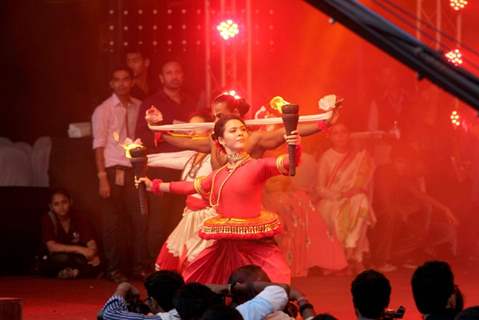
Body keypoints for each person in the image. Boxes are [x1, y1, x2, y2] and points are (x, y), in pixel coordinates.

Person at [138, 115, 300, 283]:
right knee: (202, 283)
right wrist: (155, 186)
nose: (240, 133)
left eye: (243, 130)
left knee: (275, 283)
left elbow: (289, 163)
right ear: (221, 140)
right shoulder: (218, 175)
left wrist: (294, 144)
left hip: (255, 244)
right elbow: (190, 187)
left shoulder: (258, 166)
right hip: (224, 247)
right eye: (233, 130)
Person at [147, 93, 340, 170]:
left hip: (249, 209)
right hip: (220, 210)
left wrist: (324, 122)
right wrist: (159, 129)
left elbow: (288, 130)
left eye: (220, 115)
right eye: (215, 116)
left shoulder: (255, 138)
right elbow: (186, 143)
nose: (216, 120)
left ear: (236, 113)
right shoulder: (214, 140)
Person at [91, 65, 148, 282]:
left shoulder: (139, 106)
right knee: (112, 223)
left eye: (126, 79)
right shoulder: (103, 110)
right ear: (111, 84)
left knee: (140, 219)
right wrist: (102, 177)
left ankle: (139, 266)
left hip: (136, 168)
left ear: (132, 82)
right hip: (113, 169)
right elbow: (98, 146)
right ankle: (114, 270)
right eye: (117, 79)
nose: (122, 83)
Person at [146, 112, 215, 273]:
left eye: (194, 128)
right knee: (171, 261)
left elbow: (192, 187)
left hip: (208, 218)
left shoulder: (217, 156)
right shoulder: (192, 155)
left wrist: (157, 186)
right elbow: (159, 158)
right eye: (187, 127)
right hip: (190, 216)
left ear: (209, 131)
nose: (189, 131)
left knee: (195, 264)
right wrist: (136, 155)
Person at [371, 146, 458, 270]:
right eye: (400, 162)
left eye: (406, 163)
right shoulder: (384, 172)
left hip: (398, 216)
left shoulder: (405, 177)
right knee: (391, 214)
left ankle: (398, 256)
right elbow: (384, 201)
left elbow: (421, 195)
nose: (403, 166)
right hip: (380, 214)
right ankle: (380, 261)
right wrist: (402, 214)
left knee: (433, 227)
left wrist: (445, 209)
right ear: (393, 161)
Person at [316, 123, 376, 273]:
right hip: (332, 200)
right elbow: (319, 188)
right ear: (330, 137)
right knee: (344, 211)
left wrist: (354, 191)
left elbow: (363, 183)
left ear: (349, 135)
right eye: (336, 133)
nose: (341, 136)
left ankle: (351, 253)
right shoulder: (327, 157)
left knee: (361, 200)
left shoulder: (359, 156)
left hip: (354, 198)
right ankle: (349, 256)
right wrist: (340, 195)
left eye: (343, 132)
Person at [136, 60, 196, 151]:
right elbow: (141, 136)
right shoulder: (150, 103)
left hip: (189, 157)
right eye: (169, 73)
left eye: (177, 72)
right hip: (162, 159)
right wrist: (166, 133)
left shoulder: (190, 101)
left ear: (183, 76)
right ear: (161, 78)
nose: (174, 76)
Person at [40, 188, 100, 278]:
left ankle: (73, 273)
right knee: (62, 259)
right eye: (56, 204)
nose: (61, 207)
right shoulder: (48, 219)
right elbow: (52, 247)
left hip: (76, 257)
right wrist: (80, 250)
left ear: (71, 202)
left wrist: (93, 253)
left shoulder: (80, 217)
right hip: (57, 257)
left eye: (64, 202)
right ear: (51, 206)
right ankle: (76, 272)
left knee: (98, 262)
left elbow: (91, 242)